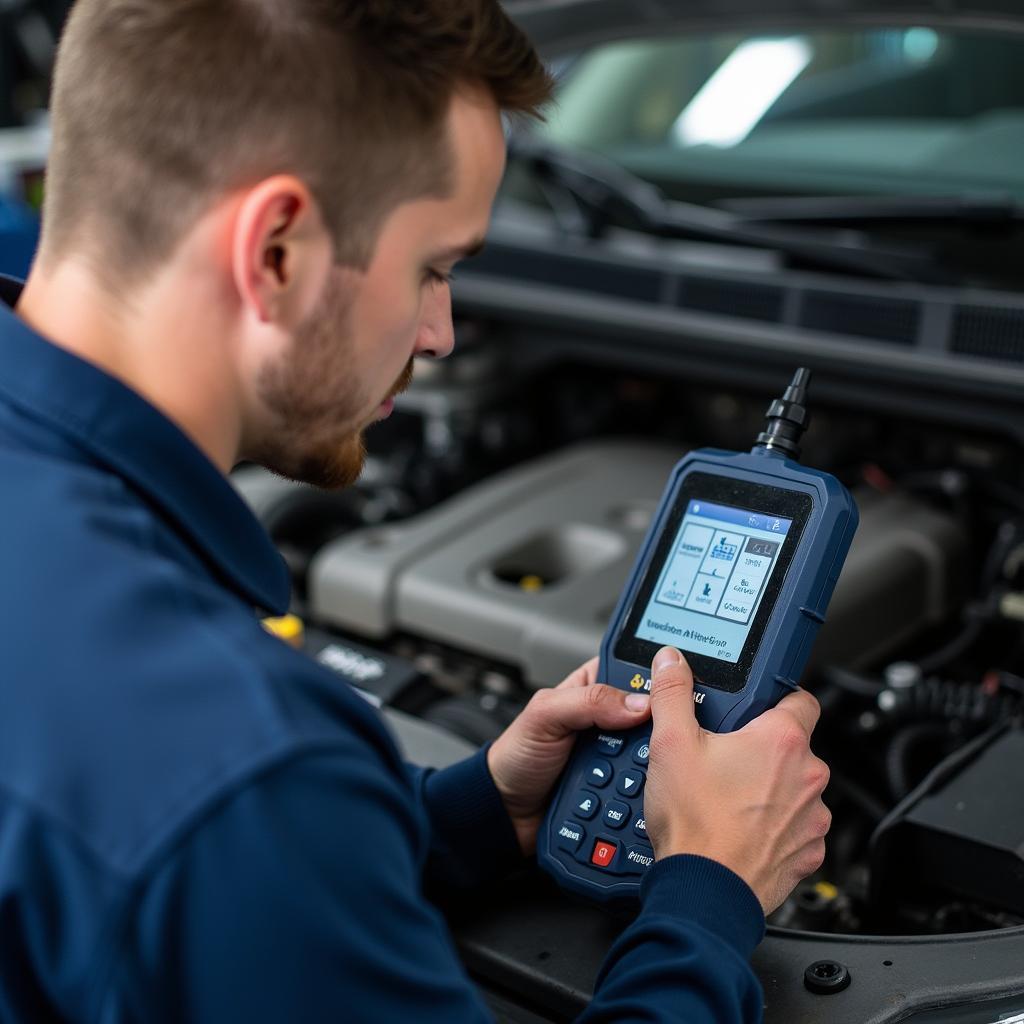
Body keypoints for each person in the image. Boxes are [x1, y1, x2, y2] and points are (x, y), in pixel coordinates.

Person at [0, 1, 831, 1020]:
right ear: (275, 252)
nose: (439, 333)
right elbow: (231, 824)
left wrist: (476, 815)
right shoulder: (240, 773)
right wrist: (709, 895)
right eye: (433, 268)